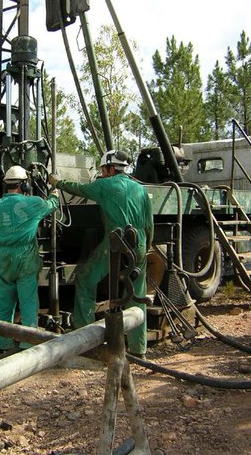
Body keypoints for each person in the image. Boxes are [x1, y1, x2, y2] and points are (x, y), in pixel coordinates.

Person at [49, 149, 154, 357]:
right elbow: (149, 223)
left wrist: (57, 183)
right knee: (136, 295)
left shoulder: (104, 185)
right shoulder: (140, 189)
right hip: (139, 244)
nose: (102, 173)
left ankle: (84, 340)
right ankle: (138, 349)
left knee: (86, 279)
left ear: (111, 168)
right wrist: (145, 247)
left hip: (115, 243)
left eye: (103, 169)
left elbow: (79, 189)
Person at [0, 165, 59, 353]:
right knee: (28, 302)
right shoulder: (34, 203)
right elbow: (52, 205)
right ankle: (29, 344)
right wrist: (55, 192)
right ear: (25, 185)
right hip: (25, 256)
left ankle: (0, 345)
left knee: (2, 303)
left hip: (3, 257)